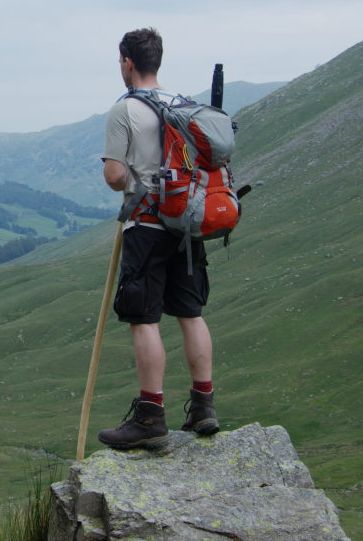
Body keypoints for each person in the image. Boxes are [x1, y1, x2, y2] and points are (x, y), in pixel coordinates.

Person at [97, 27, 219, 450]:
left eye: (120, 62)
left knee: (144, 318)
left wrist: (134, 182)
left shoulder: (125, 110)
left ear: (127, 62)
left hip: (147, 225)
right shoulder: (183, 105)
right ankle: (204, 408)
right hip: (187, 222)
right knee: (190, 312)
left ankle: (150, 418)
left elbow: (114, 176)